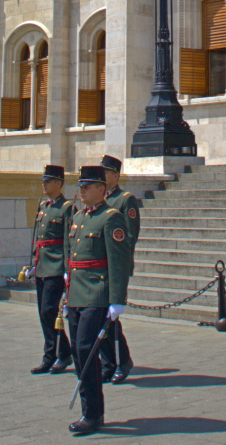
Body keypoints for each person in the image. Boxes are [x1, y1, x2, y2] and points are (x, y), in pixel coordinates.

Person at [65, 165, 132, 434]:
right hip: (76, 294)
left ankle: (93, 413)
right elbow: (74, 257)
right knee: (78, 354)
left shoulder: (111, 218)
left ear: (101, 190)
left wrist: (117, 300)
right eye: (81, 186)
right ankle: (89, 411)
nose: (81, 190)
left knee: (85, 349)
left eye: (87, 186)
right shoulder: (80, 217)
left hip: (97, 293)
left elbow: (118, 261)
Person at [98, 154, 140, 384]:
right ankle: (108, 362)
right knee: (98, 316)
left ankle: (122, 361)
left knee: (109, 319)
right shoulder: (98, 198)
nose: (101, 176)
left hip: (112, 269)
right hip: (95, 269)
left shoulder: (125, 201)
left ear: (115, 175)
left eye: (105, 172)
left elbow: (129, 238)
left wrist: (119, 267)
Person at [30, 165, 73, 375]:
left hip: (56, 266)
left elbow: (67, 240)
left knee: (49, 311)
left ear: (58, 183)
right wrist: (33, 263)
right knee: (43, 313)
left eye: (48, 181)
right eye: (43, 181)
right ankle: (53, 354)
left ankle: (61, 352)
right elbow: (38, 238)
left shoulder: (67, 208)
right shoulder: (44, 207)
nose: (43, 185)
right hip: (41, 266)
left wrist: (67, 269)